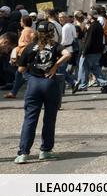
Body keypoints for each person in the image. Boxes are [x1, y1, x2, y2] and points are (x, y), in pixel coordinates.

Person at [13, 20, 72, 164]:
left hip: (34, 84)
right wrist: (55, 66)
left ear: (37, 33)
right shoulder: (55, 46)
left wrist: (29, 73)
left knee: (30, 119)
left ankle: (23, 153)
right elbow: (67, 54)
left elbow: (20, 69)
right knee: (49, 119)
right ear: (51, 33)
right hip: (50, 83)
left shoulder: (30, 47)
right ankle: (45, 150)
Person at [5, 16, 36, 99]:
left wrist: (17, 47)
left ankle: (36, 88)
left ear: (24, 22)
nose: (20, 22)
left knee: (24, 74)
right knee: (20, 74)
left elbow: (26, 44)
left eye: (21, 21)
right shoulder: (31, 30)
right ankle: (13, 92)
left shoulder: (26, 31)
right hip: (27, 54)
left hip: (24, 54)